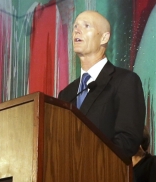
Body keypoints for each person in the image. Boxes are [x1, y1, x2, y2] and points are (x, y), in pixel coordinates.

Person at [56, 10, 145, 157]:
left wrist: (89, 162)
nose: (77, 30)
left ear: (104, 37)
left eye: (86, 26)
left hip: (105, 176)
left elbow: (128, 140)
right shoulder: (66, 94)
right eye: (75, 26)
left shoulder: (125, 81)